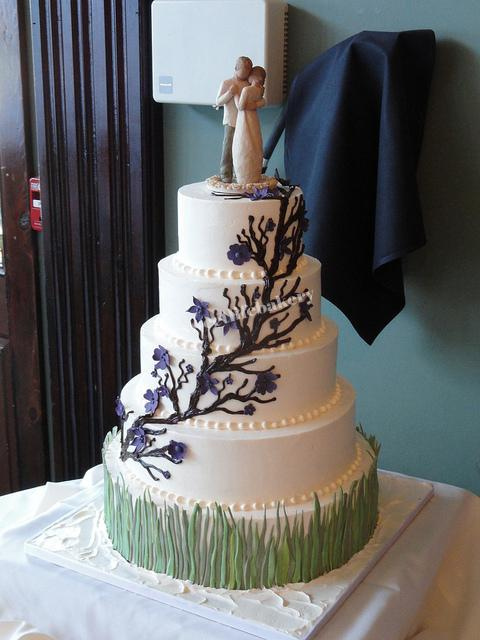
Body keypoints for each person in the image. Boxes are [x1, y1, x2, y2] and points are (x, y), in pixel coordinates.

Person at [214, 56, 253, 183]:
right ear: (236, 68)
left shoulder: (247, 84)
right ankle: (226, 173)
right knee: (228, 147)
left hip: (245, 123)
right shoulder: (227, 83)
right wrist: (229, 93)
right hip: (231, 121)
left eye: (249, 69)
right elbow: (218, 102)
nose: (247, 71)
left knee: (243, 149)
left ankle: (240, 173)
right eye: (245, 69)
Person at [232, 65, 266, 185]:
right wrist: (255, 105)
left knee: (243, 143)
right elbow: (263, 102)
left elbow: (240, 107)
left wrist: (236, 95)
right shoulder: (261, 90)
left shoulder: (246, 90)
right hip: (253, 118)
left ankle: (244, 177)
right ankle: (254, 175)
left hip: (244, 118)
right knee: (255, 142)